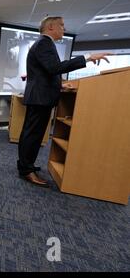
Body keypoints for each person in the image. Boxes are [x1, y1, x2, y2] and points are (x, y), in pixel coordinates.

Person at [17, 16, 111, 186]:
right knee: (33, 134)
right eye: (61, 25)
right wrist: (88, 57)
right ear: (51, 27)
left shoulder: (43, 43)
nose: (64, 28)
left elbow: (47, 72)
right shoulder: (44, 43)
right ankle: (26, 170)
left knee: (32, 134)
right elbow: (54, 68)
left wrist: (59, 85)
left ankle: (26, 165)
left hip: (40, 96)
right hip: (40, 98)